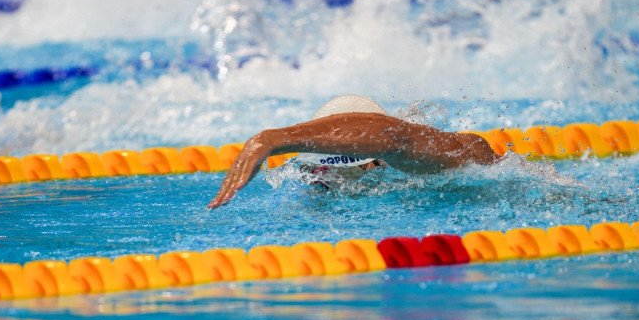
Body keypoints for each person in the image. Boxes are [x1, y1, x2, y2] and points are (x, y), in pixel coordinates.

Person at [208, 95, 499, 209]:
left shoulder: (450, 160)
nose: (318, 178)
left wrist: (275, 138)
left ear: (371, 164)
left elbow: (389, 137)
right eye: (315, 170)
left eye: (325, 171)